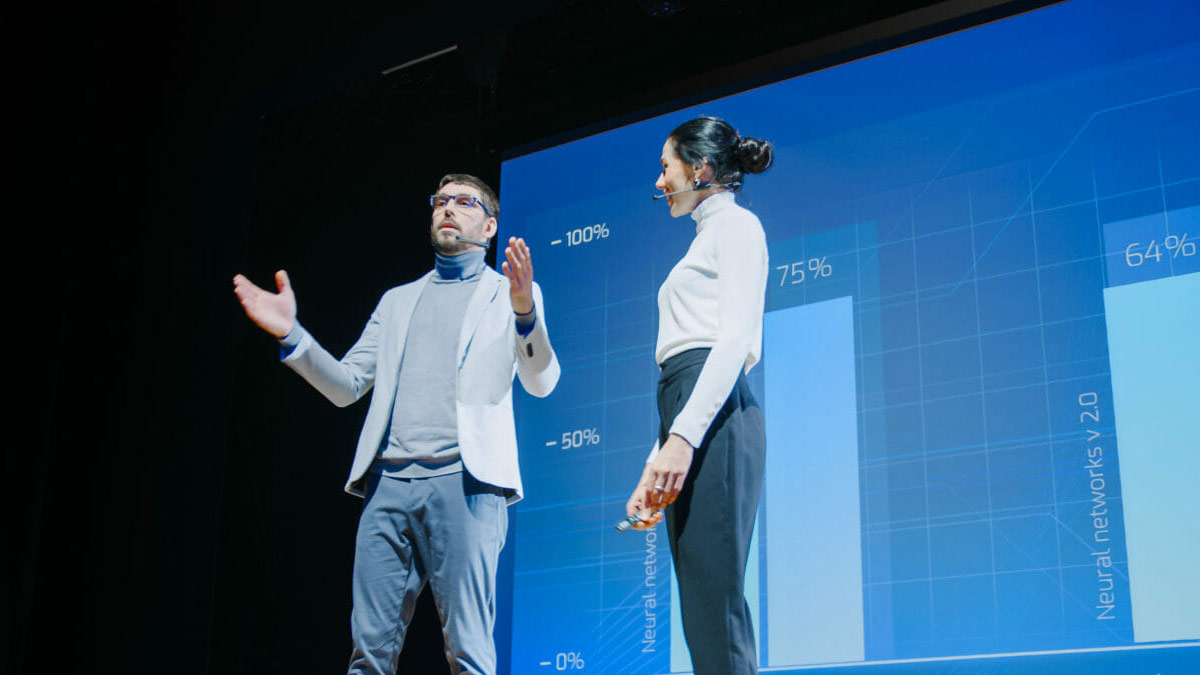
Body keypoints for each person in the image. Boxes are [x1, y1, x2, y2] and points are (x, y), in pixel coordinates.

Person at [232, 173, 559, 675]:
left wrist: (524, 311)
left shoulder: (510, 294)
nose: (448, 208)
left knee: (469, 653)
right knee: (368, 655)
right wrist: (293, 335)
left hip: (467, 485)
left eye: (464, 202)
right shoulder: (397, 300)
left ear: (490, 225)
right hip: (388, 487)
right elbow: (346, 385)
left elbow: (541, 381)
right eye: (441, 200)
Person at [625, 117, 773, 674]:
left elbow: (733, 340)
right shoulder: (706, 239)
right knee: (700, 612)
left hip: (717, 414)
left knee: (715, 608)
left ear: (700, 168)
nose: (659, 182)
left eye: (666, 167)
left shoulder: (736, 227)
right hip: (688, 410)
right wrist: (654, 462)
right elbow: (684, 375)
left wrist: (682, 438)